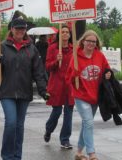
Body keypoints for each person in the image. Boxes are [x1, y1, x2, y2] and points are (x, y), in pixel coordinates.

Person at [0, 18, 48, 160]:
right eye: (17, 28)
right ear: (11, 29)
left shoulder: (32, 48)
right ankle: (7, 156)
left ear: (25, 31)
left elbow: (38, 72)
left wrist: (43, 90)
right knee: (11, 123)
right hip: (7, 91)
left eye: (22, 29)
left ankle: (17, 156)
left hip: (24, 92)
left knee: (19, 126)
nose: (20, 31)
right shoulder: (3, 47)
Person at [66, 30, 111, 160]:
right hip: (81, 95)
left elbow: (107, 69)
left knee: (87, 124)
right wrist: (74, 73)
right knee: (88, 122)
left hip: (95, 96)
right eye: (88, 41)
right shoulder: (75, 57)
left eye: (93, 41)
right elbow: (68, 78)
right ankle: (92, 153)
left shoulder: (99, 56)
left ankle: (79, 152)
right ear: (83, 42)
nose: (91, 43)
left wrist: (108, 73)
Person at [44, 26, 74, 149]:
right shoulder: (53, 48)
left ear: (70, 35)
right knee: (56, 111)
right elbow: (47, 66)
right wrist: (56, 61)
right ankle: (48, 130)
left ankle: (65, 139)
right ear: (59, 35)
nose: (65, 34)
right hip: (56, 84)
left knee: (68, 113)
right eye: (63, 32)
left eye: (67, 32)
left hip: (70, 85)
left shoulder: (74, 49)